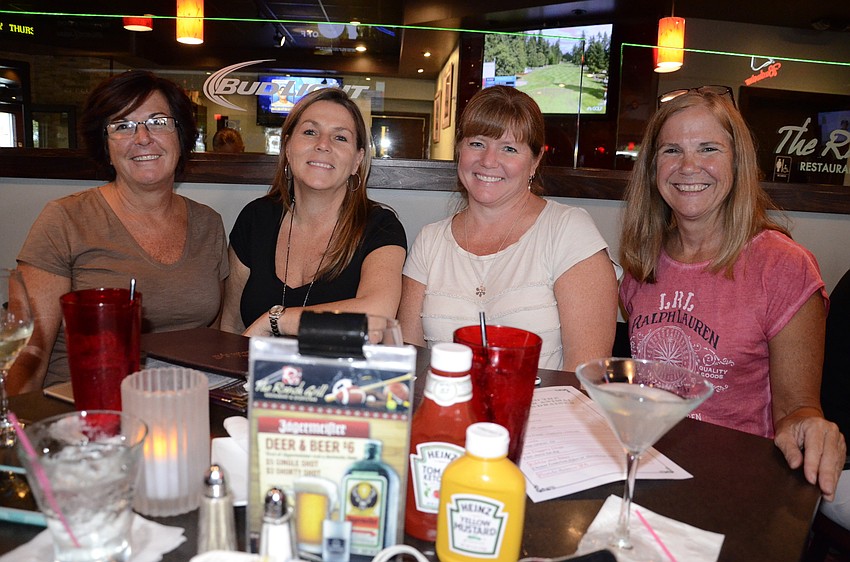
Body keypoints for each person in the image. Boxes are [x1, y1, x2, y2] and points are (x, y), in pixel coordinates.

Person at [618, 85, 845, 501]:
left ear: (738, 163)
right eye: (671, 151)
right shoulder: (641, 265)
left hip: (740, 484)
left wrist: (812, 427)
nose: (689, 166)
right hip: (651, 473)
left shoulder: (784, 267)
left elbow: (797, 410)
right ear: (652, 168)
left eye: (708, 149)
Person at [11, 70, 229, 393]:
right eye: (123, 126)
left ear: (181, 138)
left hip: (182, 408)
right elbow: (28, 357)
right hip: (84, 411)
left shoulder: (209, 223)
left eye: (158, 122)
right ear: (105, 147)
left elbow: (214, 340)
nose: (142, 138)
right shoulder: (65, 219)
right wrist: (21, 432)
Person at [398, 86, 619, 370]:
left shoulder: (568, 231)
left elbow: (586, 377)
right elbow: (411, 365)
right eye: (477, 143)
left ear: (534, 162)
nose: (489, 161)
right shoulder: (430, 241)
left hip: (542, 412)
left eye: (509, 148)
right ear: (459, 151)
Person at [219, 88, 407, 336]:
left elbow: (375, 321)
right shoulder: (256, 218)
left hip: (339, 375)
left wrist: (275, 320)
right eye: (310, 132)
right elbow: (231, 326)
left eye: (340, 138)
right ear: (287, 148)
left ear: (357, 160)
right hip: (257, 374)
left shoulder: (381, 227)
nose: (323, 145)